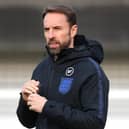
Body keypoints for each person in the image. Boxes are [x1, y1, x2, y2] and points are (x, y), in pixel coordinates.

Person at [16, 5, 109, 129]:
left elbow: (95, 123)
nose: (51, 35)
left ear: (73, 30)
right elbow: (28, 122)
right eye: (47, 29)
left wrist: (47, 106)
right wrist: (25, 100)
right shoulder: (42, 67)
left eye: (57, 28)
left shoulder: (91, 70)